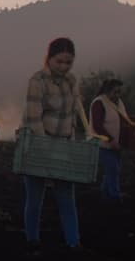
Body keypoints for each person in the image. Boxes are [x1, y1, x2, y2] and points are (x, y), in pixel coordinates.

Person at [21, 37, 86, 250]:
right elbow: (33, 119)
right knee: (35, 199)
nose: (64, 67)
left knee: (67, 198)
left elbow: (74, 115)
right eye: (59, 61)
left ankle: (74, 243)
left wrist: (73, 144)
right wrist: (47, 151)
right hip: (38, 146)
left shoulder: (72, 81)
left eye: (69, 62)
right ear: (49, 59)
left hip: (64, 147)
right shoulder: (38, 81)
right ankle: (32, 241)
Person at [90, 78, 135, 203]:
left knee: (112, 169)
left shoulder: (118, 102)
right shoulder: (99, 103)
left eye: (120, 92)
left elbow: (122, 117)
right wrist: (111, 140)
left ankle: (105, 194)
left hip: (116, 143)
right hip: (103, 144)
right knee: (113, 169)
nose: (118, 95)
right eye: (116, 92)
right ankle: (115, 196)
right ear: (107, 91)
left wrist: (134, 121)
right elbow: (97, 126)